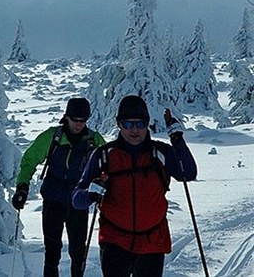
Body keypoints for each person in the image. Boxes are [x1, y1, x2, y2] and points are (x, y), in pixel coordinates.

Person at [72, 95, 198, 277]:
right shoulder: (104, 156)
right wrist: (92, 192)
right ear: (119, 124)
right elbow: (77, 200)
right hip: (114, 240)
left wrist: (177, 139)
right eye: (128, 124)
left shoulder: (160, 153)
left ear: (147, 124)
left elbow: (188, 172)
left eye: (140, 124)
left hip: (152, 241)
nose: (134, 130)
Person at [12, 97, 106, 277]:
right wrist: (22, 187)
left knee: (78, 252)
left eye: (83, 121)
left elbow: (108, 166)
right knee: (52, 251)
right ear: (66, 117)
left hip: (78, 202)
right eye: (75, 120)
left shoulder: (94, 141)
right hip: (53, 201)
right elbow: (29, 160)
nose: (79, 124)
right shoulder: (52, 137)